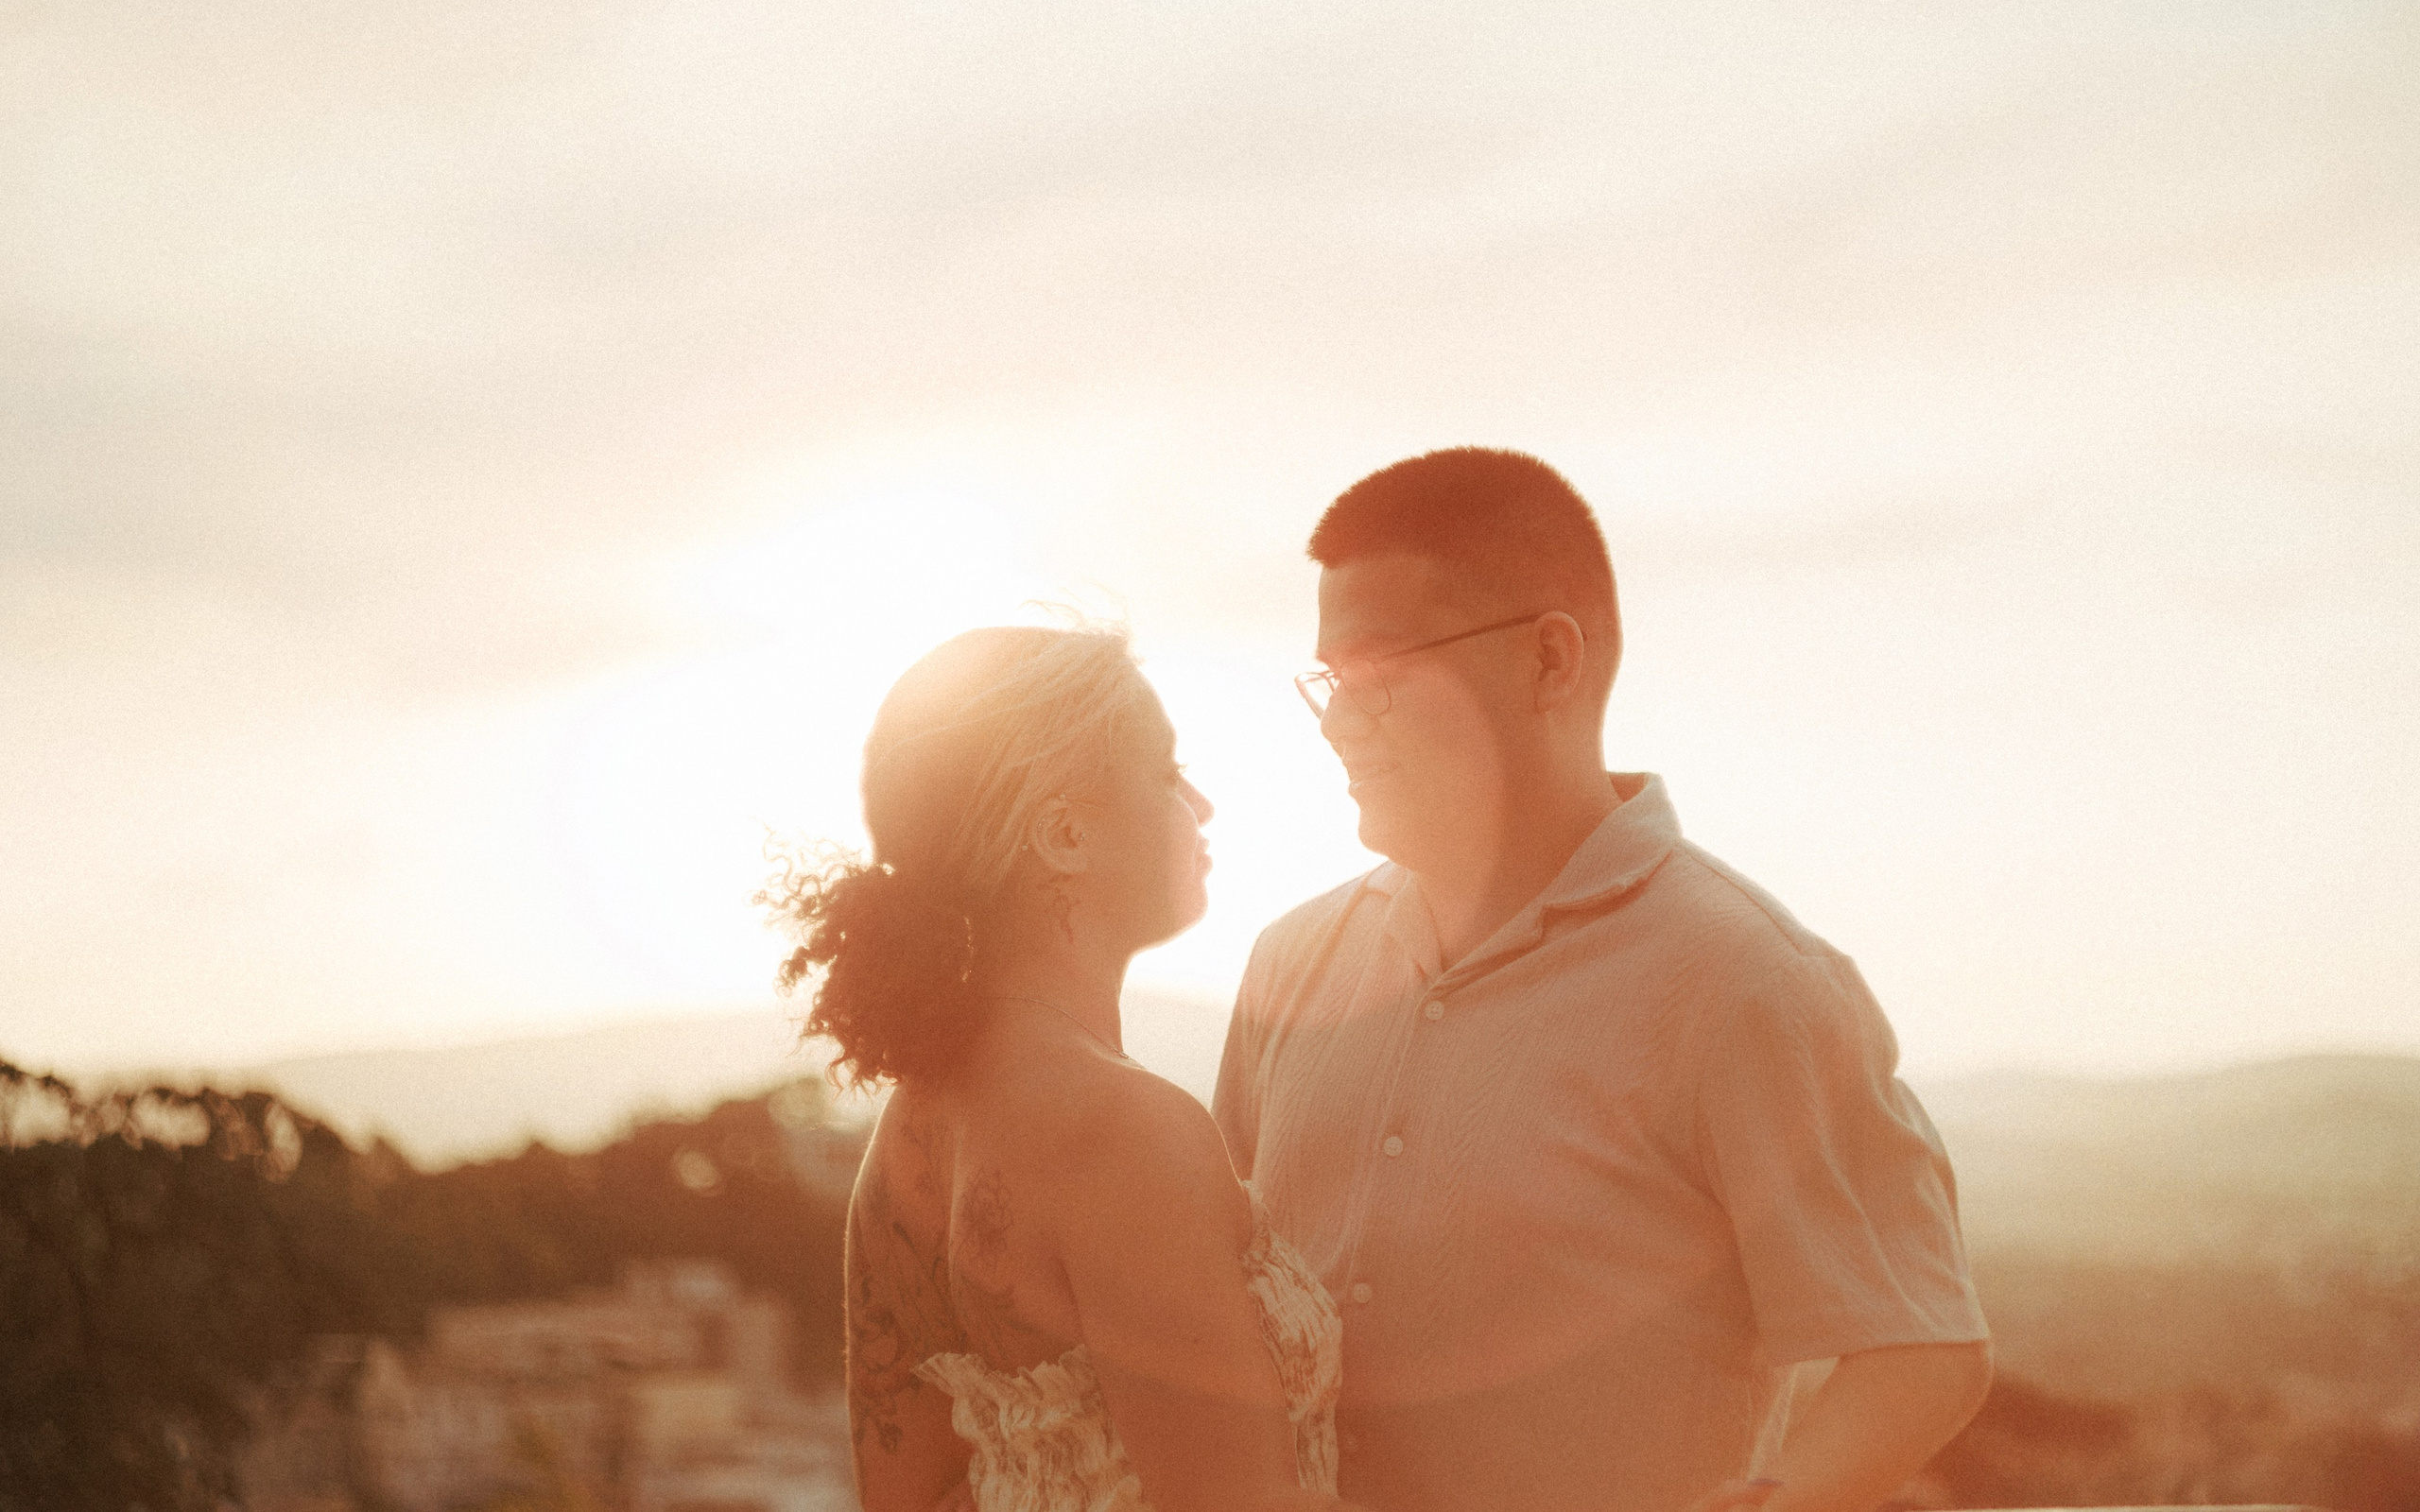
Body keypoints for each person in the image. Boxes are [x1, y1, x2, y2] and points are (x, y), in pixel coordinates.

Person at [1214, 449, 1996, 1512]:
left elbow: (1920, 1347)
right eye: (1330, 683)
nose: (1340, 724)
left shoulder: (1745, 980)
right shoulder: (1288, 962)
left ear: (1549, 661)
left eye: (1383, 676)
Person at [763, 625, 1352, 1512]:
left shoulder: (910, 1135)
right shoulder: (1126, 1128)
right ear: (1067, 835)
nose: (1200, 802)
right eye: (1166, 772)